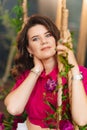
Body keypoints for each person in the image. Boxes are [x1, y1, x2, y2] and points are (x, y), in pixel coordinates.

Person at [4, 15, 87, 130]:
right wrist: (37, 70)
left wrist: (74, 68)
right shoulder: (28, 76)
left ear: (56, 39)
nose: (44, 41)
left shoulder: (79, 74)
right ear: (29, 49)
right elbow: (14, 108)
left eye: (48, 35)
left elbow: (82, 119)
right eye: (35, 39)